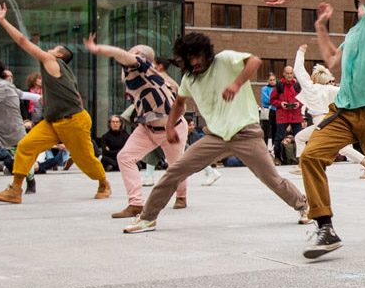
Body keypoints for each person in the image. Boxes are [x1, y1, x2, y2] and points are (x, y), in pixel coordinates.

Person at [262, 0, 365, 255]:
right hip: (344, 111)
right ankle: (325, 226)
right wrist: (321, 28)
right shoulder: (354, 33)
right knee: (311, 155)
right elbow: (332, 60)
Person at [122, 33, 309, 234]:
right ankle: (148, 218)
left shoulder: (225, 59)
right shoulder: (189, 78)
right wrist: (169, 127)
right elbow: (179, 102)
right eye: (190, 60)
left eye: (198, 58)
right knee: (175, 172)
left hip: (246, 133)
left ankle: (304, 207)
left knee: (271, 178)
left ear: (206, 53)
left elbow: (254, 61)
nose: (195, 63)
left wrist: (236, 84)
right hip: (215, 137)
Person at [0, 4, 111, 204]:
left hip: (73, 121)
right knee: (26, 146)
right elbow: (77, 96)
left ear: (59, 55)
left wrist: (3, 20)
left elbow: (22, 41)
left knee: (85, 159)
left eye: (53, 49)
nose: (48, 50)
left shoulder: (52, 62)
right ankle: (15, 190)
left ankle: (104, 182)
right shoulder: (59, 70)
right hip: (53, 121)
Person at [84, 38, 190, 218]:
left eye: (130, 52)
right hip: (147, 128)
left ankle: (181, 196)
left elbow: (122, 55)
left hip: (172, 128)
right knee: (125, 157)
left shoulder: (140, 64)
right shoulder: (140, 74)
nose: (126, 54)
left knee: (175, 166)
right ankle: (135, 204)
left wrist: (99, 48)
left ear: (138, 55)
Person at [288, 44, 365, 177]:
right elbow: (348, 92)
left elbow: (298, 69)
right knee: (303, 138)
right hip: (327, 120)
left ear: (313, 78)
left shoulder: (311, 87)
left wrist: (301, 51)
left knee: (302, 138)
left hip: (322, 122)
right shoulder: (330, 89)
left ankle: (302, 166)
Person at [269, 65, 303, 148]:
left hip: (296, 115)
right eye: (287, 73)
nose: (289, 75)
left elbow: (303, 99)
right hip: (283, 115)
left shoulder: (297, 86)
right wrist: (280, 104)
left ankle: (298, 157)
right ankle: (277, 157)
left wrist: (299, 104)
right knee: (279, 138)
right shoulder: (279, 85)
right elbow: (272, 100)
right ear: (284, 74)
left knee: (299, 137)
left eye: (291, 73)